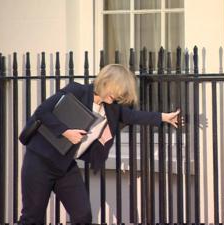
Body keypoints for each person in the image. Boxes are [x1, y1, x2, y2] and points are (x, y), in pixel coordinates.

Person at [19, 64, 180, 224]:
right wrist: (65, 132)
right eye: (117, 89)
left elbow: (134, 116)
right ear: (106, 81)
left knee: (83, 217)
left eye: (122, 93)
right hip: (40, 161)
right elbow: (42, 111)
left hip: (65, 166)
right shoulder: (77, 91)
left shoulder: (111, 108)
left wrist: (164, 117)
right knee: (32, 218)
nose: (118, 96)